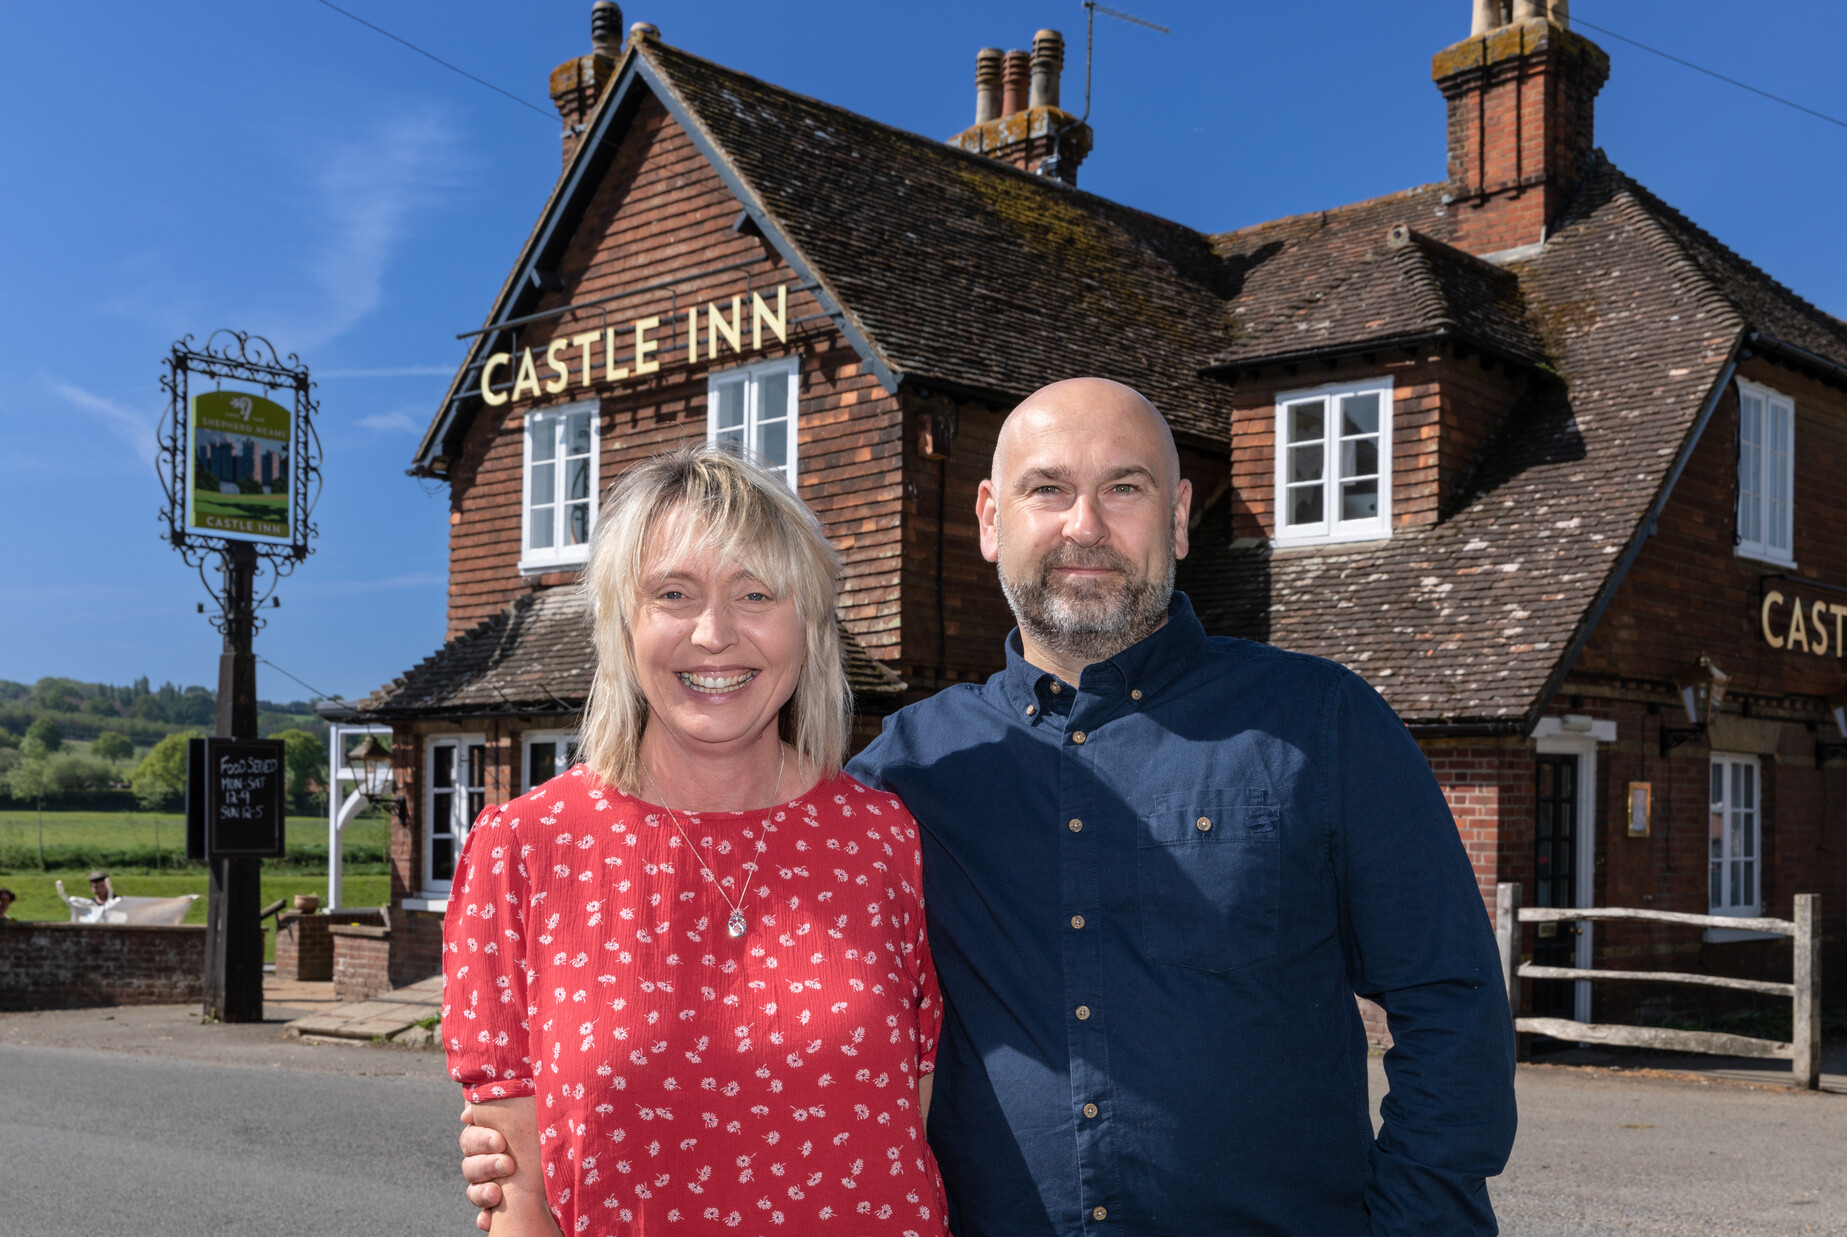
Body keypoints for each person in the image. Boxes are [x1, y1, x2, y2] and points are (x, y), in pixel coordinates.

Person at [467, 380, 1516, 1233]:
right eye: (1047, 490)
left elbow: (1451, 1005)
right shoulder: (903, 778)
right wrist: (532, 1126)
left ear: (1182, 517)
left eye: (1125, 488)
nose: (1084, 526)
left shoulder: (1317, 723)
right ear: (988, 521)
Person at [443, 447, 948, 1236]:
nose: (714, 633)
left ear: (808, 625)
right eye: (673, 593)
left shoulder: (882, 838)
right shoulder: (525, 848)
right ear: (621, 623)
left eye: (754, 593)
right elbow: (520, 1201)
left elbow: (908, 1121)